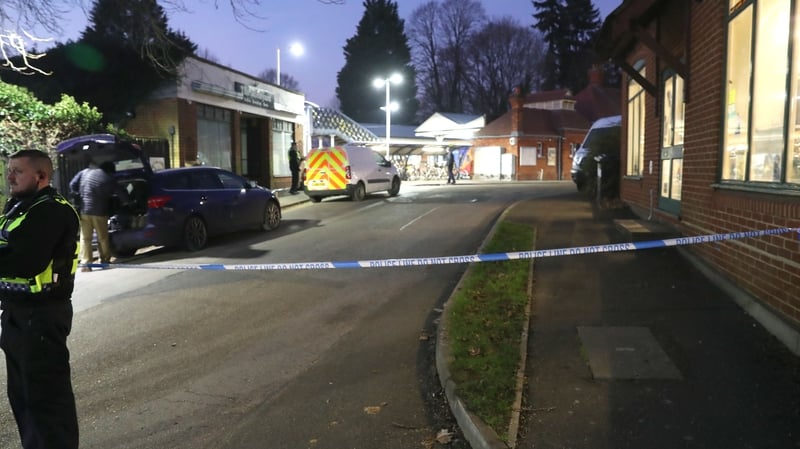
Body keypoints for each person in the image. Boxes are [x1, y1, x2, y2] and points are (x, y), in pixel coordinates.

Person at [0, 149, 80, 449]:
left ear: (41, 176)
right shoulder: (20, 208)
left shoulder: (49, 211)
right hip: (16, 315)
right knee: (23, 399)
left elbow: (25, 261)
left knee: (45, 401)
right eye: (10, 170)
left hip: (41, 317)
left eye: (17, 171)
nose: (10, 176)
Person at [70, 160, 127, 271]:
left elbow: (72, 184)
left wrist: (78, 194)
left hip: (84, 211)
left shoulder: (84, 172)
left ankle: (86, 264)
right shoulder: (108, 178)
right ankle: (104, 261)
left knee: (85, 238)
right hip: (99, 212)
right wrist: (127, 202)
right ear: (110, 171)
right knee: (103, 238)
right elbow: (121, 193)